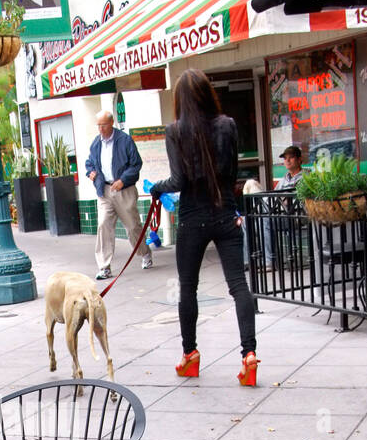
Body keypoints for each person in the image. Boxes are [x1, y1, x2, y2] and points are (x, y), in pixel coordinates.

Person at [151, 69, 259, 387]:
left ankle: (190, 355)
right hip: (225, 214)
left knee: (188, 288)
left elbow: (178, 181)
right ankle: (249, 356)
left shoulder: (175, 131)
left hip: (192, 218)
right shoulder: (228, 125)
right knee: (239, 286)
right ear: (208, 93)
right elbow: (233, 173)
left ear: (181, 100)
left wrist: (156, 187)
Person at [86, 112, 144, 279]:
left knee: (133, 226)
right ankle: (104, 266)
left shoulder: (125, 140)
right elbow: (89, 162)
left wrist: (123, 180)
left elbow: (136, 164)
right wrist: (91, 172)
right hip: (104, 190)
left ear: (112, 123)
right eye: (98, 125)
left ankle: (144, 253)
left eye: (103, 124)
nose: (101, 129)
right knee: (103, 224)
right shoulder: (96, 143)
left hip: (123, 190)